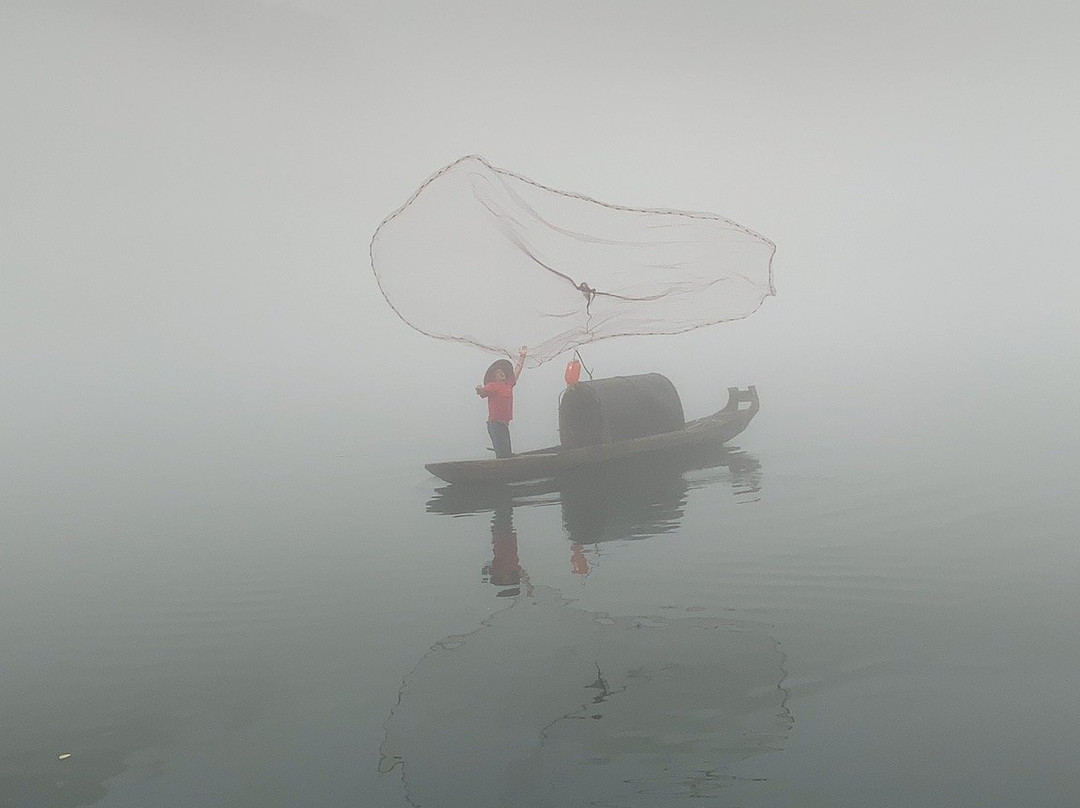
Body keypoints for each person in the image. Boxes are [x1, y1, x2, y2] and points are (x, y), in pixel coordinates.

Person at [475, 346, 527, 459]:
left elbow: (517, 371)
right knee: (503, 455)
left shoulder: (508, 385)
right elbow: (483, 392)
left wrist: (522, 356)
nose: (501, 373)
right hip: (495, 424)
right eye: (498, 373)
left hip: (504, 424)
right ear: (494, 377)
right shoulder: (492, 386)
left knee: (507, 454)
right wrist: (479, 390)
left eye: (502, 372)